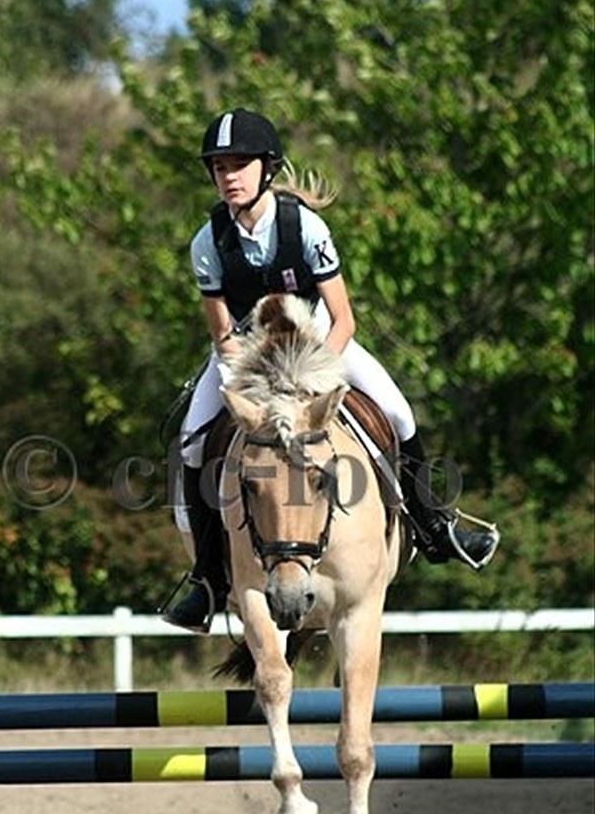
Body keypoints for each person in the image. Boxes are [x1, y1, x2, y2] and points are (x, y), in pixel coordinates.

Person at [163, 108, 499, 633]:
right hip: (245, 355)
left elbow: (343, 318)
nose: (229, 176)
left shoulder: (307, 228)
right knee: (190, 441)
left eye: (240, 164)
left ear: (267, 168)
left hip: (318, 343)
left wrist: (311, 372)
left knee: (397, 410)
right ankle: (207, 577)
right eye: (219, 166)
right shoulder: (207, 242)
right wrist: (249, 378)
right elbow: (223, 334)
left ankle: (435, 525)